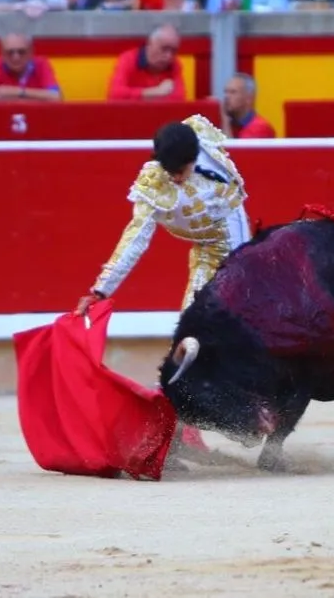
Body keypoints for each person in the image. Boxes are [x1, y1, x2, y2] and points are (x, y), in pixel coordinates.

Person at [75, 114, 252, 464]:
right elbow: (135, 240)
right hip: (207, 252)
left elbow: (237, 215)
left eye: (180, 171)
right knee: (191, 336)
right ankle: (182, 424)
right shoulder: (155, 180)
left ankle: (241, 410)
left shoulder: (205, 145)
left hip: (237, 252)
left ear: (193, 158)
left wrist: (243, 270)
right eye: (169, 171)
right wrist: (100, 290)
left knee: (229, 332)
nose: (174, 179)